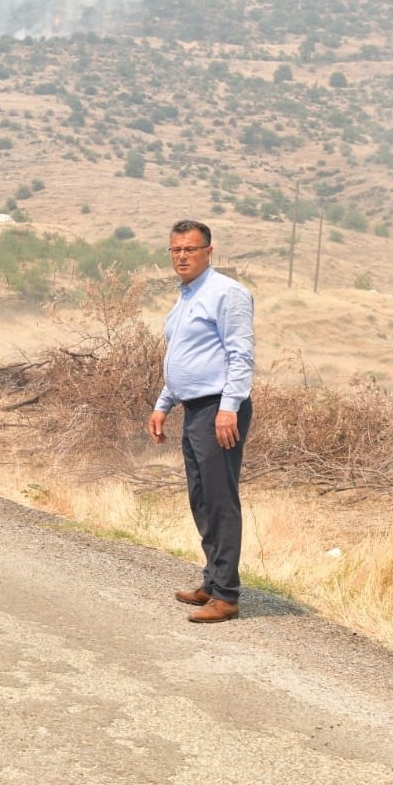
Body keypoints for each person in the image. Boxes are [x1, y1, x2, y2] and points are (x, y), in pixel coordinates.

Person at [146, 220, 255, 624]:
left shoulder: (227, 293)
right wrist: (163, 405)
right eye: (175, 250)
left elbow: (240, 355)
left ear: (209, 252)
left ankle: (226, 595)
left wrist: (229, 407)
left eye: (190, 249)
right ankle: (212, 580)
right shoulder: (186, 297)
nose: (181, 257)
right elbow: (181, 359)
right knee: (201, 498)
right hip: (193, 408)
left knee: (221, 500)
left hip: (218, 410)